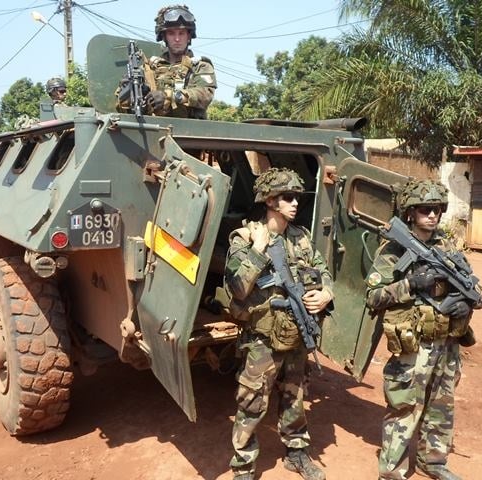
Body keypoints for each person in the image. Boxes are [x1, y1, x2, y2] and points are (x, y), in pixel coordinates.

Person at [365, 179, 479, 480]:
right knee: (404, 407)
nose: (433, 216)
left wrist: (465, 304)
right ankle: (392, 471)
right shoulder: (393, 249)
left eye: (438, 210)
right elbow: (373, 297)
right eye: (426, 209)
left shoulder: (446, 245)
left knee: (441, 406)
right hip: (413, 346)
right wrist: (411, 284)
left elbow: (471, 282)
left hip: (447, 341)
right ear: (411, 213)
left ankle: (434, 461)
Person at [225, 168, 333, 480]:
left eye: (297, 197)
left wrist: (326, 292)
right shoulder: (244, 238)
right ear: (270, 201)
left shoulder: (301, 238)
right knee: (251, 402)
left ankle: (297, 454)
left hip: (296, 334)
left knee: (295, 397)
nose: (295, 203)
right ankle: (244, 467)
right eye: (288, 197)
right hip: (262, 338)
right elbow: (237, 288)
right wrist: (258, 251)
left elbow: (322, 270)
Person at [116, 4, 216, 119]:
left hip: (189, 131)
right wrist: (128, 90)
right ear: (164, 37)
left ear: (189, 36)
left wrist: (169, 96)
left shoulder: (200, 66)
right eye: (171, 33)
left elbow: (205, 95)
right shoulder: (149, 69)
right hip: (152, 129)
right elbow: (122, 108)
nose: (177, 39)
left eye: (181, 33)